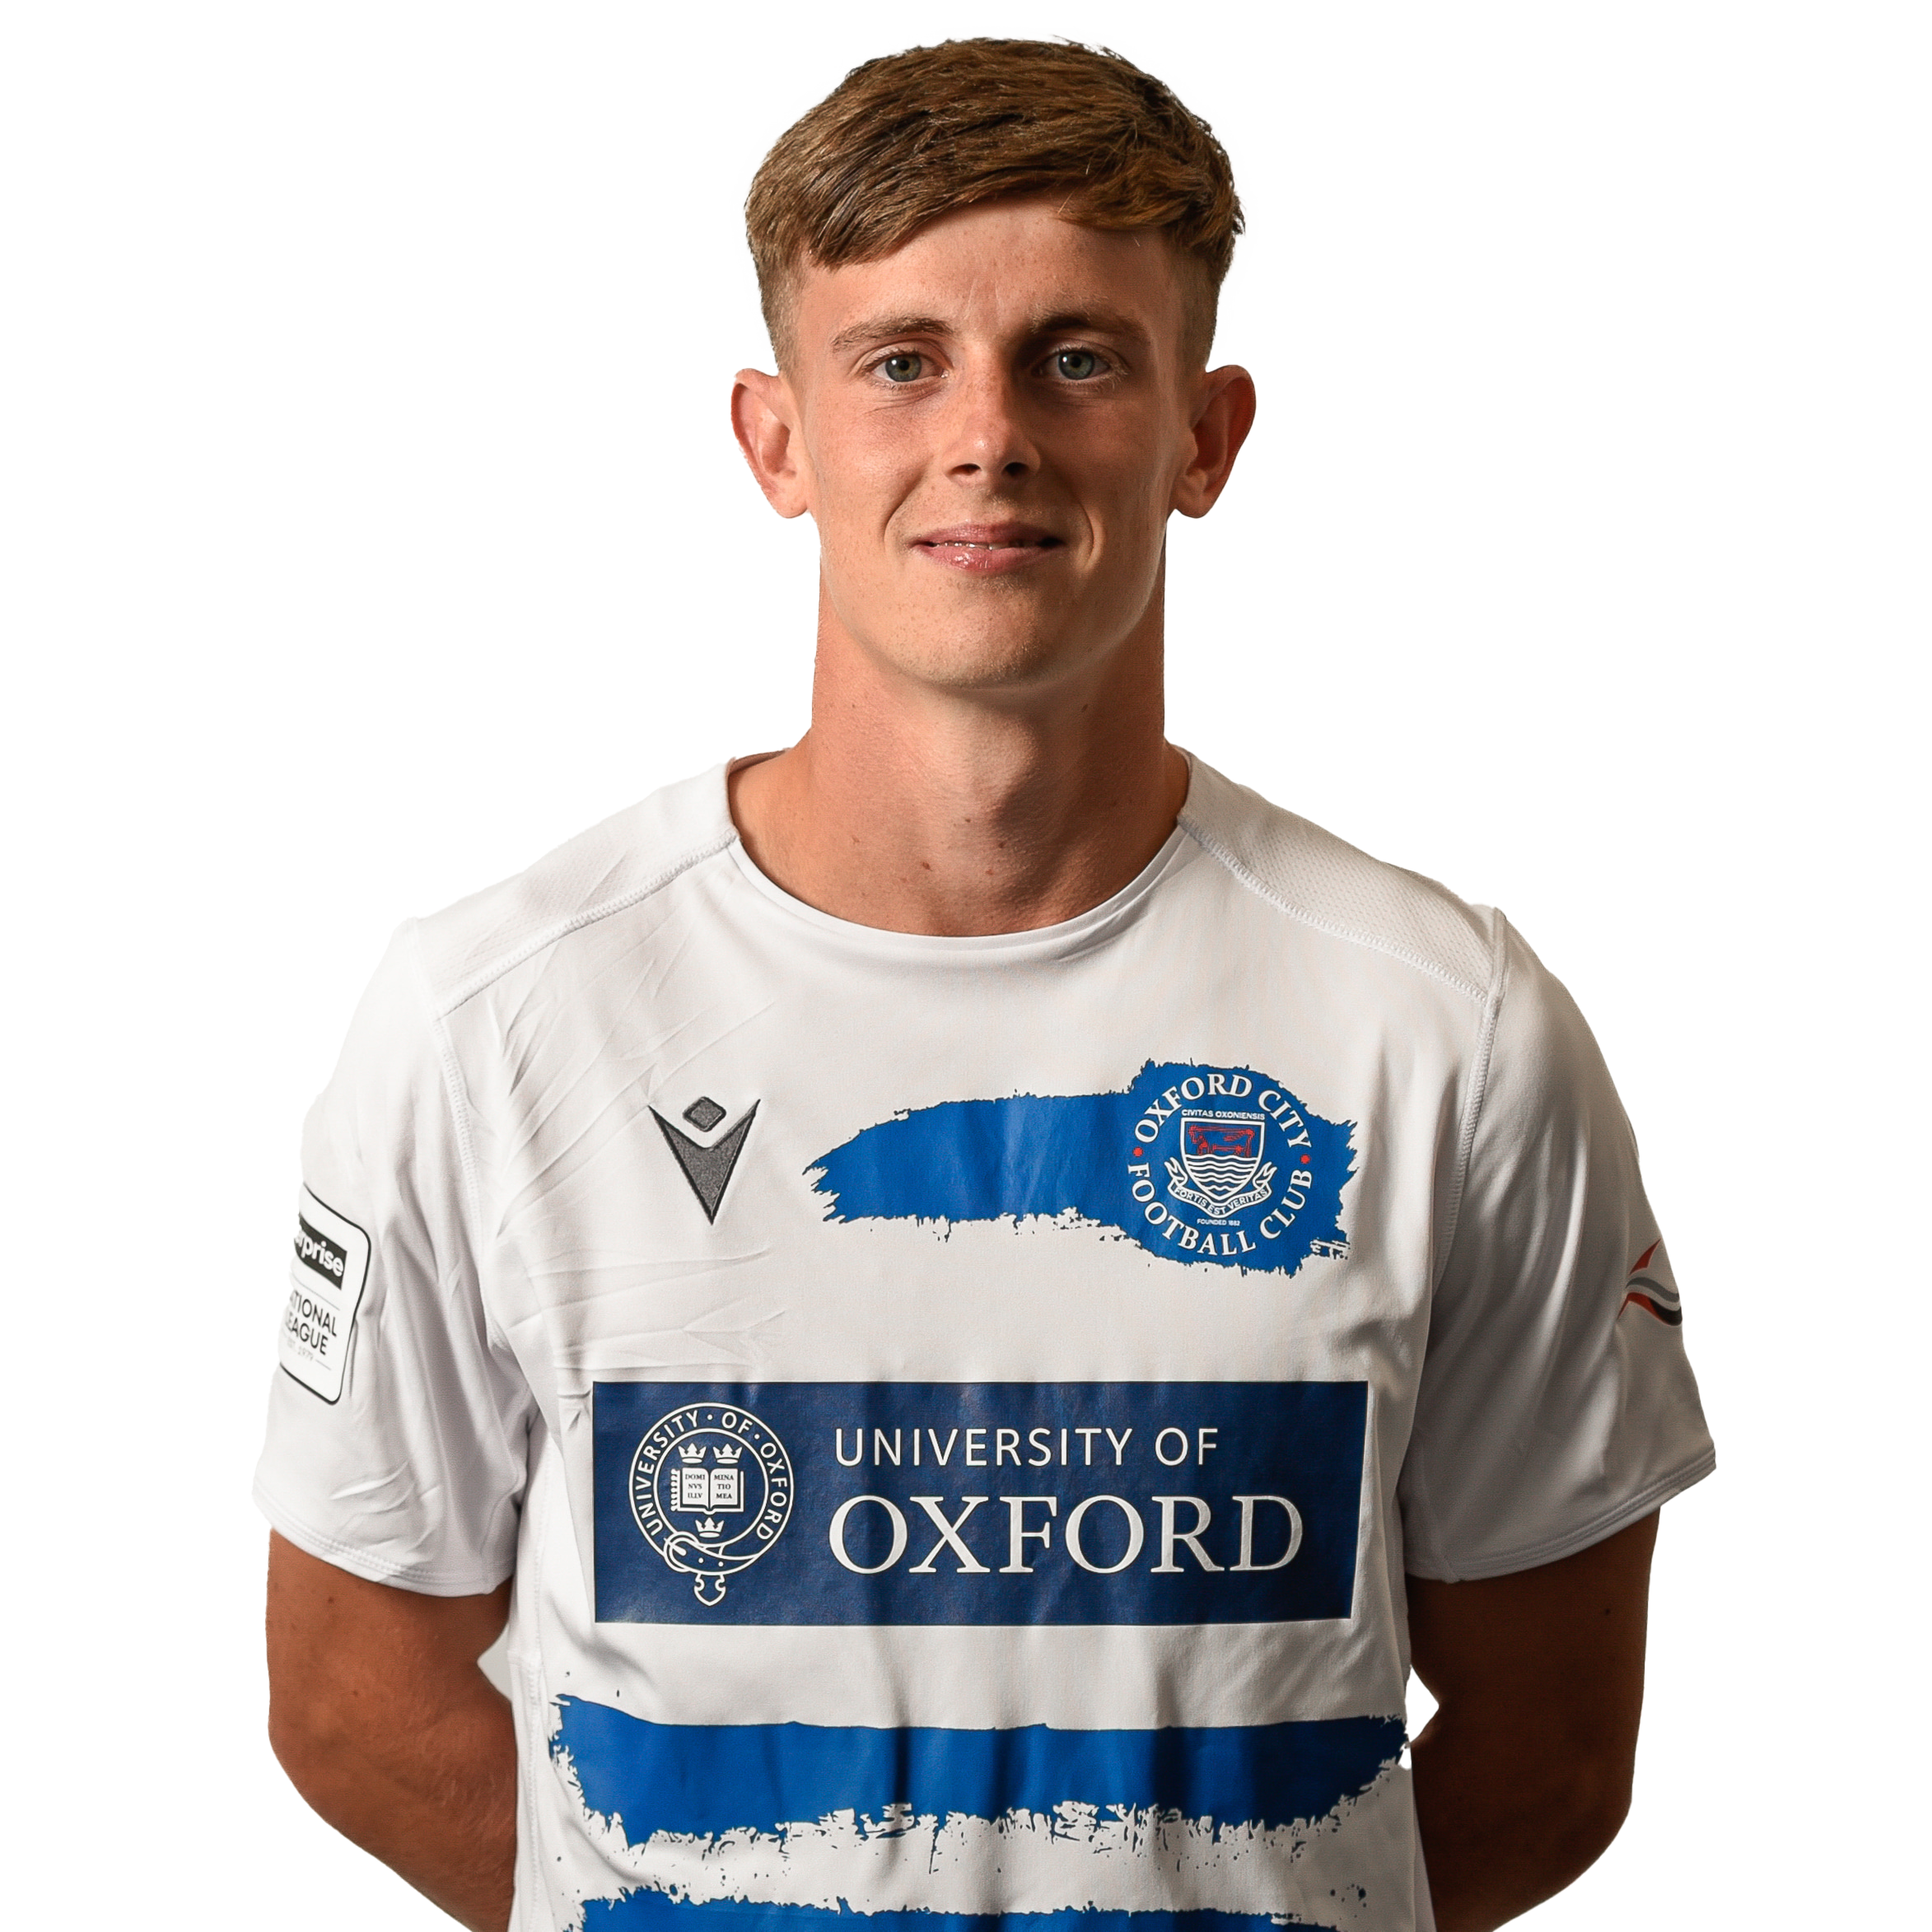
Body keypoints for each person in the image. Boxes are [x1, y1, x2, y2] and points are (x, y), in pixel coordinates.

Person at [255, 36, 1713, 1932]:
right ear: (778, 441)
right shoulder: (494, 1022)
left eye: (1078, 358)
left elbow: (1553, 1757)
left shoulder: (1449, 1032)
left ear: (1206, 436)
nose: (989, 436)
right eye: (900, 361)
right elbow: (352, 1701)